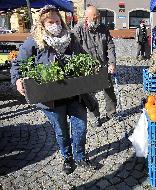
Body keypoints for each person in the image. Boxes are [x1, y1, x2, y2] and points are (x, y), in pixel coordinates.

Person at [10, 5, 95, 175]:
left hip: (75, 93)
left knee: (81, 127)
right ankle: (67, 157)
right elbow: (17, 64)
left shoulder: (70, 38)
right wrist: (18, 80)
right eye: (50, 22)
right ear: (42, 24)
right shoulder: (34, 41)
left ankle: (80, 156)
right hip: (51, 97)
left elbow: (82, 57)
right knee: (61, 131)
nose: (55, 24)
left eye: (57, 21)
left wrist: (91, 67)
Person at [73, 5, 117, 126]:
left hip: (103, 66)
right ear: (87, 18)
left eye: (98, 17)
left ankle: (111, 113)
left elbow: (110, 45)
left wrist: (112, 63)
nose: (97, 20)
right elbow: (74, 50)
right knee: (90, 95)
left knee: (109, 91)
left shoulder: (103, 28)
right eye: (95, 18)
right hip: (88, 69)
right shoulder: (78, 30)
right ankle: (95, 116)